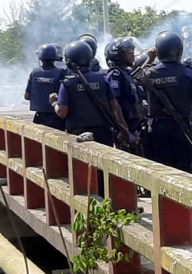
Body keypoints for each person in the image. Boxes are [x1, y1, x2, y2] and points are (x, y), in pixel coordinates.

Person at [50, 41, 131, 194]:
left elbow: (62, 112)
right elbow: (115, 107)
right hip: (103, 132)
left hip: (78, 135)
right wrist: (125, 131)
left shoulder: (67, 82)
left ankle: (89, 204)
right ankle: (108, 200)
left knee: (82, 172)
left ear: (69, 61)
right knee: (105, 169)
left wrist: (54, 103)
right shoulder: (101, 78)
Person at [143, 31, 192, 174]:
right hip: (181, 126)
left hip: (158, 128)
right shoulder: (187, 73)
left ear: (158, 51)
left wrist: (150, 59)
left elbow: (134, 78)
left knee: (162, 169)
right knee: (184, 167)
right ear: (180, 50)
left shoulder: (150, 73)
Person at [106, 37, 142, 153]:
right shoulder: (115, 74)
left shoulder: (126, 74)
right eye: (129, 52)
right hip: (124, 130)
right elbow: (115, 105)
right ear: (118, 54)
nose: (132, 55)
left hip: (133, 127)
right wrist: (126, 133)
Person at [24, 44, 66, 131]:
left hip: (39, 117)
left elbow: (27, 96)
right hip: (56, 117)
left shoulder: (34, 73)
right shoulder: (62, 72)